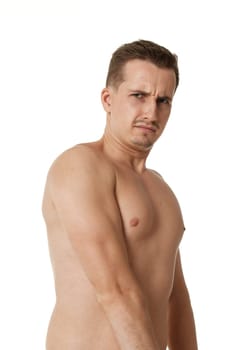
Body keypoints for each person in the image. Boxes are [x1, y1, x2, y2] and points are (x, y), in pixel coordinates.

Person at [42, 39, 198, 350]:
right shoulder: (80, 166)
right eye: (138, 96)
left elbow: (176, 299)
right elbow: (114, 290)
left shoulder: (161, 189)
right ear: (108, 99)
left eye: (163, 100)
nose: (151, 112)